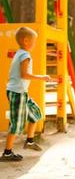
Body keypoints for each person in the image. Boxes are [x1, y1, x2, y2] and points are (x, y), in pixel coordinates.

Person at [0, 27, 54, 161]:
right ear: (26, 41)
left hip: (21, 92)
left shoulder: (20, 53)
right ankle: (7, 152)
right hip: (17, 93)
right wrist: (41, 77)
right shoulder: (25, 55)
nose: (35, 44)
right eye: (34, 42)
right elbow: (24, 75)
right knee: (16, 123)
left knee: (35, 113)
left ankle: (29, 141)